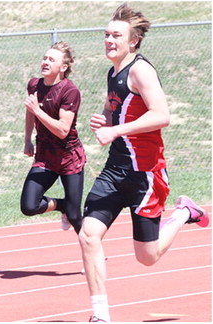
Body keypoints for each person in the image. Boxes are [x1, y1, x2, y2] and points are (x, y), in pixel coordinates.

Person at [78, 3, 209, 322]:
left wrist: (116, 130)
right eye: (106, 34)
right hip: (114, 171)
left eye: (116, 35)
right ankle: (100, 315)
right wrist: (104, 120)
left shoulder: (141, 70)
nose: (108, 40)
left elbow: (161, 115)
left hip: (146, 175)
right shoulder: (114, 71)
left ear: (133, 41)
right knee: (88, 235)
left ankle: (183, 213)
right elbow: (119, 109)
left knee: (147, 257)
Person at [20, 41, 86, 236]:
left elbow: (63, 130)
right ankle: (63, 205)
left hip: (69, 158)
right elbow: (30, 112)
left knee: (75, 217)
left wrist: (37, 111)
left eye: (51, 59)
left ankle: (93, 253)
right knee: (29, 206)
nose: (45, 62)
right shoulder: (34, 84)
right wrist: (27, 139)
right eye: (44, 58)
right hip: (45, 156)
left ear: (63, 67)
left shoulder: (69, 91)